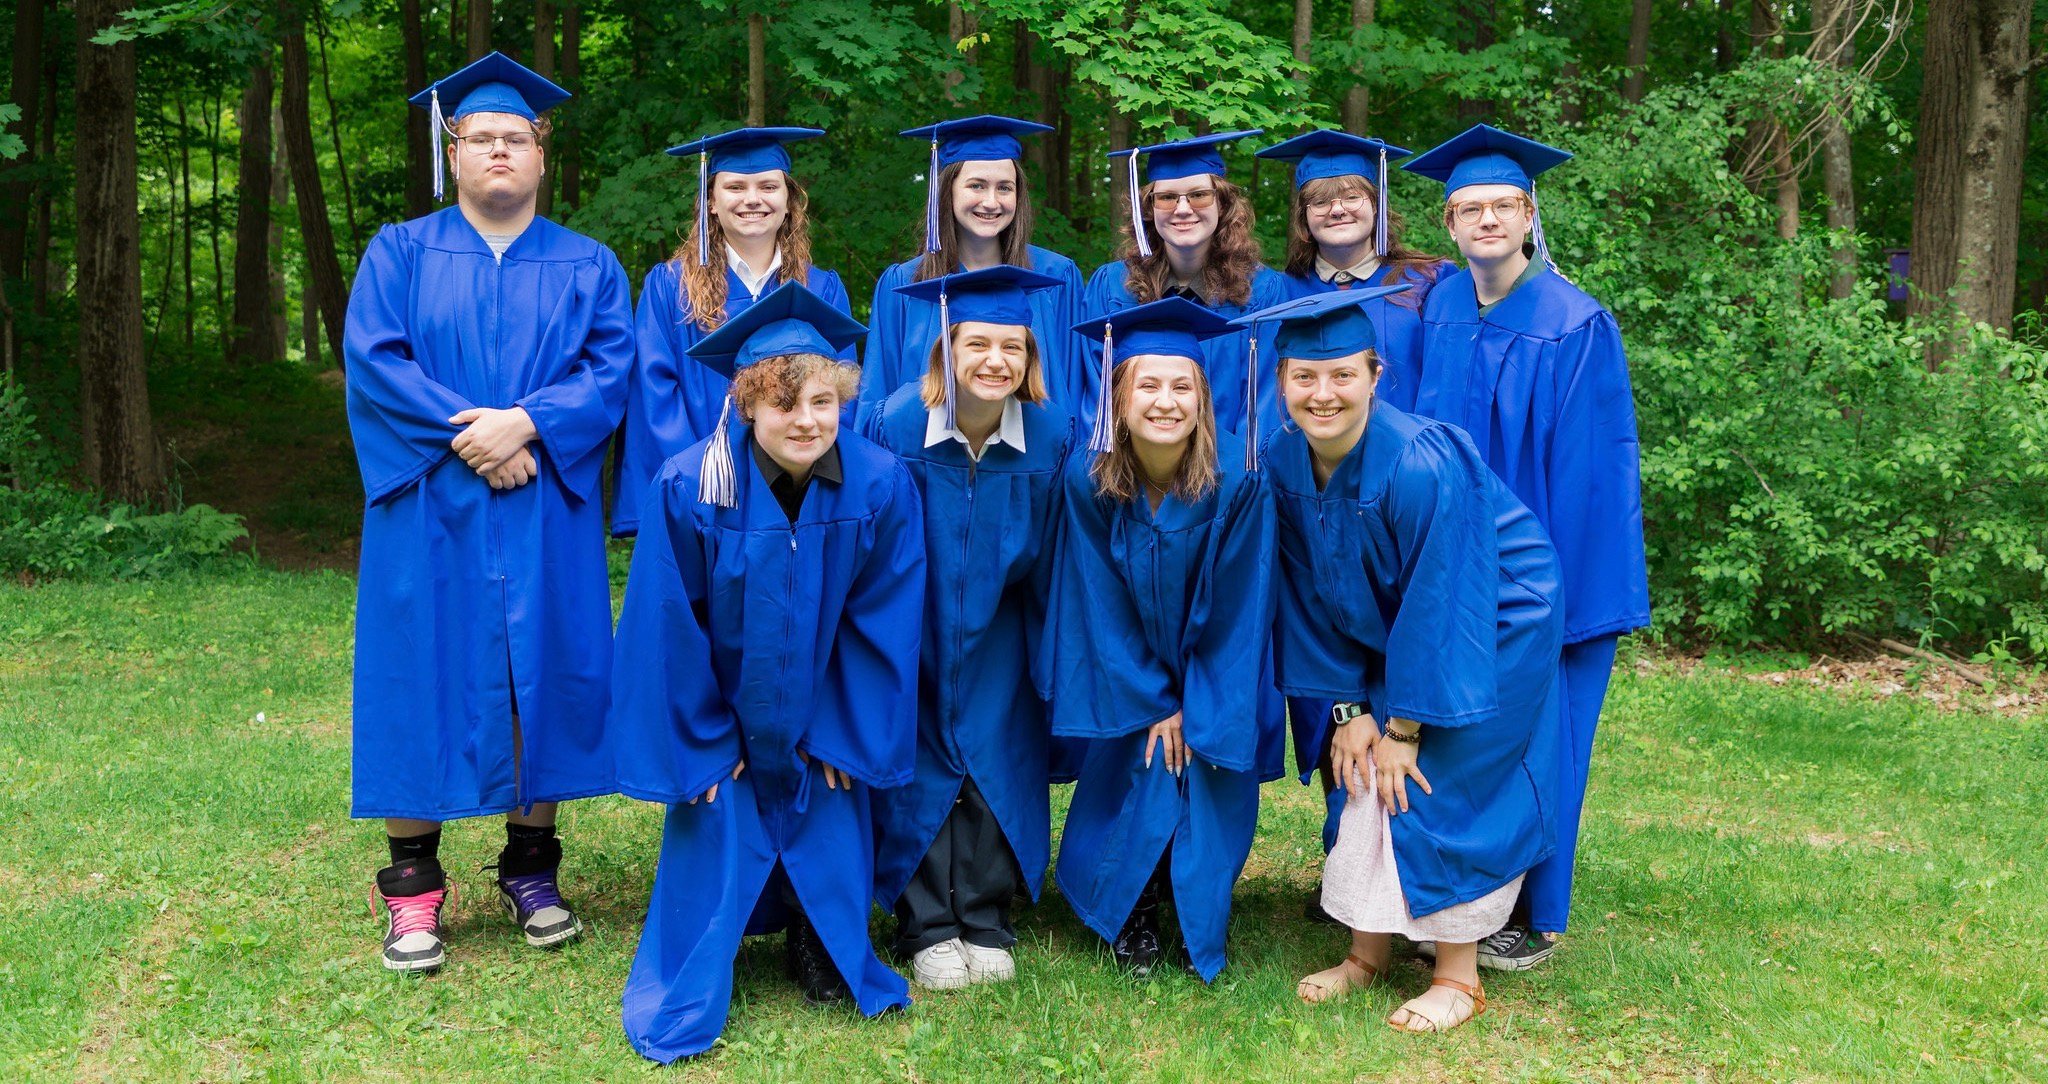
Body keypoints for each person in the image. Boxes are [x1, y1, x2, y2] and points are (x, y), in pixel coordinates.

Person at [347, 51, 632, 972]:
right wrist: (472, 436)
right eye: (482, 139)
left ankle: (531, 869)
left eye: (518, 138)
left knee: (539, 666)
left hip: (543, 500)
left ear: (541, 156)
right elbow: (376, 362)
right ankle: (414, 891)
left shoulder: (588, 264)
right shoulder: (399, 250)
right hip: (431, 501)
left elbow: (608, 371)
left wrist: (528, 425)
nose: (500, 152)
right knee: (417, 667)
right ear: (453, 152)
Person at [1234, 286, 1565, 1033]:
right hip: (1393, 626)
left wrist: (1406, 724)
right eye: (1305, 377)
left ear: (1376, 376)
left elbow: (1446, 598)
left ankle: (1458, 974)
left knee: (1432, 774)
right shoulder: (1283, 461)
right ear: (1281, 380)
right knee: (1360, 766)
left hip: (1497, 617)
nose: (1323, 394)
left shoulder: (1419, 463)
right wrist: (1349, 708)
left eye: (1343, 375)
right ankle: (1368, 952)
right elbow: (1307, 594)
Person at [610, 282, 925, 1063]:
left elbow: (882, 620)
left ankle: (821, 937)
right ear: (747, 403)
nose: (807, 420)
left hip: (823, 719)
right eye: (784, 404)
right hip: (727, 722)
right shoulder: (691, 486)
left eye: (823, 400)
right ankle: (730, 936)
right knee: (723, 806)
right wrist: (705, 742)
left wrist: (840, 733)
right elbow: (665, 629)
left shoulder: (880, 484)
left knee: (828, 794)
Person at [1401, 123, 1651, 970]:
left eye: (1503, 205)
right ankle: (1446, 894)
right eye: (1470, 208)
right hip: (1448, 563)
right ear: (1449, 222)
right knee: (1457, 736)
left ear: (1530, 213)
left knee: (1544, 740)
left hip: (1537, 577)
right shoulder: (1437, 307)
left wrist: (1558, 598)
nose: (1487, 221)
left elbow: (1589, 476)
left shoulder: (1575, 325)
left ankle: (1534, 912)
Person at [1047, 298, 1281, 982]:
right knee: (1144, 762)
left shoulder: (1240, 480)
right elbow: (1097, 597)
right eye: (1147, 384)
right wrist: (1154, 700)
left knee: (1203, 762)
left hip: (1217, 671)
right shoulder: (1088, 481)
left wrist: (1195, 703)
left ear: (1204, 400)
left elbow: (1242, 607)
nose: (1165, 401)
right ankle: (1134, 906)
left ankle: (1197, 907)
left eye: (1182, 387)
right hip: (1130, 677)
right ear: (1117, 397)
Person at [864, 266, 1076, 990]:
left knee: (998, 754)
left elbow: (1059, 546)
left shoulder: (1051, 435)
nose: (995, 360)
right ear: (944, 351)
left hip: (1005, 627)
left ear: (1030, 359)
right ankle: (925, 922)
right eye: (977, 343)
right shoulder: (894, 424)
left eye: (1012, 347)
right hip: (910, 628)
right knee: (919, 759)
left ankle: (984, 916)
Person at [611, 126, 857, 538]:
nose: (753, 199)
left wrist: (808, 479)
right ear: (710, 202)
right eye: (735, 187)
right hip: (702, 496)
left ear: (789, 201)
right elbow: (655, 396)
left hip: (797, 494)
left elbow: (842, 396)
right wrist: (698, 482)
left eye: (767, 186)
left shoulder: (822, 289)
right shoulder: (670, 287)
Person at [1079, 132, 1291, 459]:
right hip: (1130, 479)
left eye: (1199, 195)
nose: (1182, 209)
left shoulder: (1263, 291)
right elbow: (1098, 398)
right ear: (1148, 207)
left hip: (1228, 481)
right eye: (1166, 197)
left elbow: (1264, 404)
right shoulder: (1111, 286)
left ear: (1222, 202)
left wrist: (1235, 482)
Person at [859, 115, 1085, 421]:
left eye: (1005, 188)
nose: (991, 202)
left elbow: (1071, 385)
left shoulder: (1055, 277)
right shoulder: (905, 283)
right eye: (976, 186)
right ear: (948, 190)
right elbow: (877, 394)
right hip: (920, 463)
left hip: (1034, 463)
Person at [1254, 129, 1456, 413]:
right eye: (1321, 202)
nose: (1337, 210)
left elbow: (1447, 385)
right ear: (1304, 217)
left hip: (1408, 452)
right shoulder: (1279, 293)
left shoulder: (1427, 282)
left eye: (1352, 197)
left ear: (1376, 206)